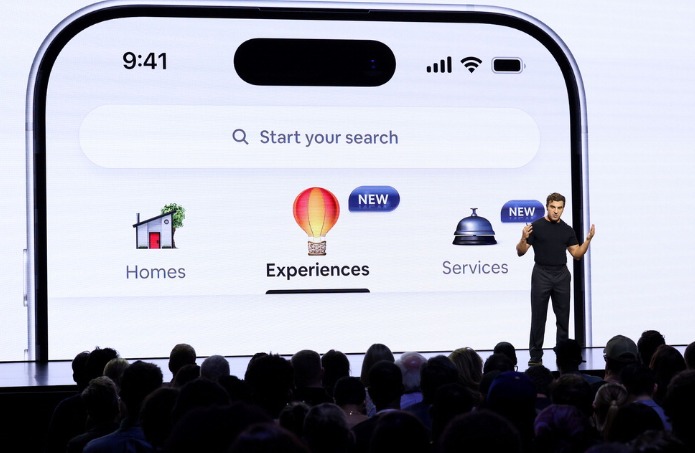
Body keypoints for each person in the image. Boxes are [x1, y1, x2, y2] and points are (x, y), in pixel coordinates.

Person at [516, 192, 595, 367]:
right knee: (538, 317)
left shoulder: (567, 230)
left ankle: (563, 354)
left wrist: (588, 240)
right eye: (553, 207)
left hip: (561, 275)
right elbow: (521, 251)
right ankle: (535, 356)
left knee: (563, 317)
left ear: (563, 209)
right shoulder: (536, 227)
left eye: (559, 208)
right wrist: (523, 237)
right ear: (547, 207)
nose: (556, 211)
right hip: (541, 273)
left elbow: (577, 254)